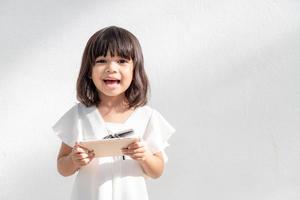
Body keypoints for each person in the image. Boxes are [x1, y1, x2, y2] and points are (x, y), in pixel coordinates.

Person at [52, 26, 175, 200]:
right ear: (89, 70)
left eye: (122, 61)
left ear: (135, 69)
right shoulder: (79, 116)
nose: (111, 68)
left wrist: (145, 156)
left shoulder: (146, 117)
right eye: (102, 60)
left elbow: (157, 170)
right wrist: (73, 160)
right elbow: (62, 166)